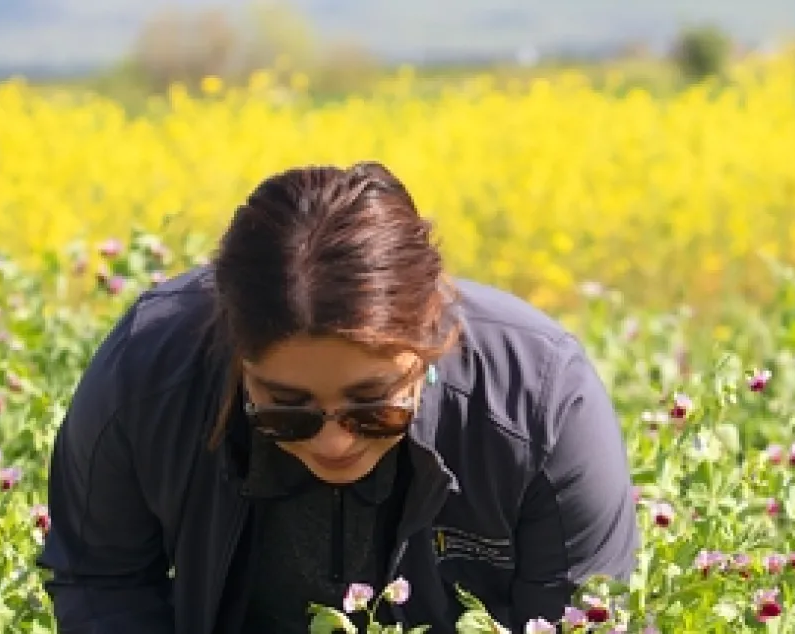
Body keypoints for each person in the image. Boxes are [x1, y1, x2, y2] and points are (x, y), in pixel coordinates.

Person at [36, 161, 642, 633]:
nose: (333, 441)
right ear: (236, 357)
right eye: (287, 410)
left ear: (429, 343)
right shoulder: (147, 376)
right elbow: (102, 585)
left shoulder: (538, 400)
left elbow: (577, 617)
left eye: (373, 407)